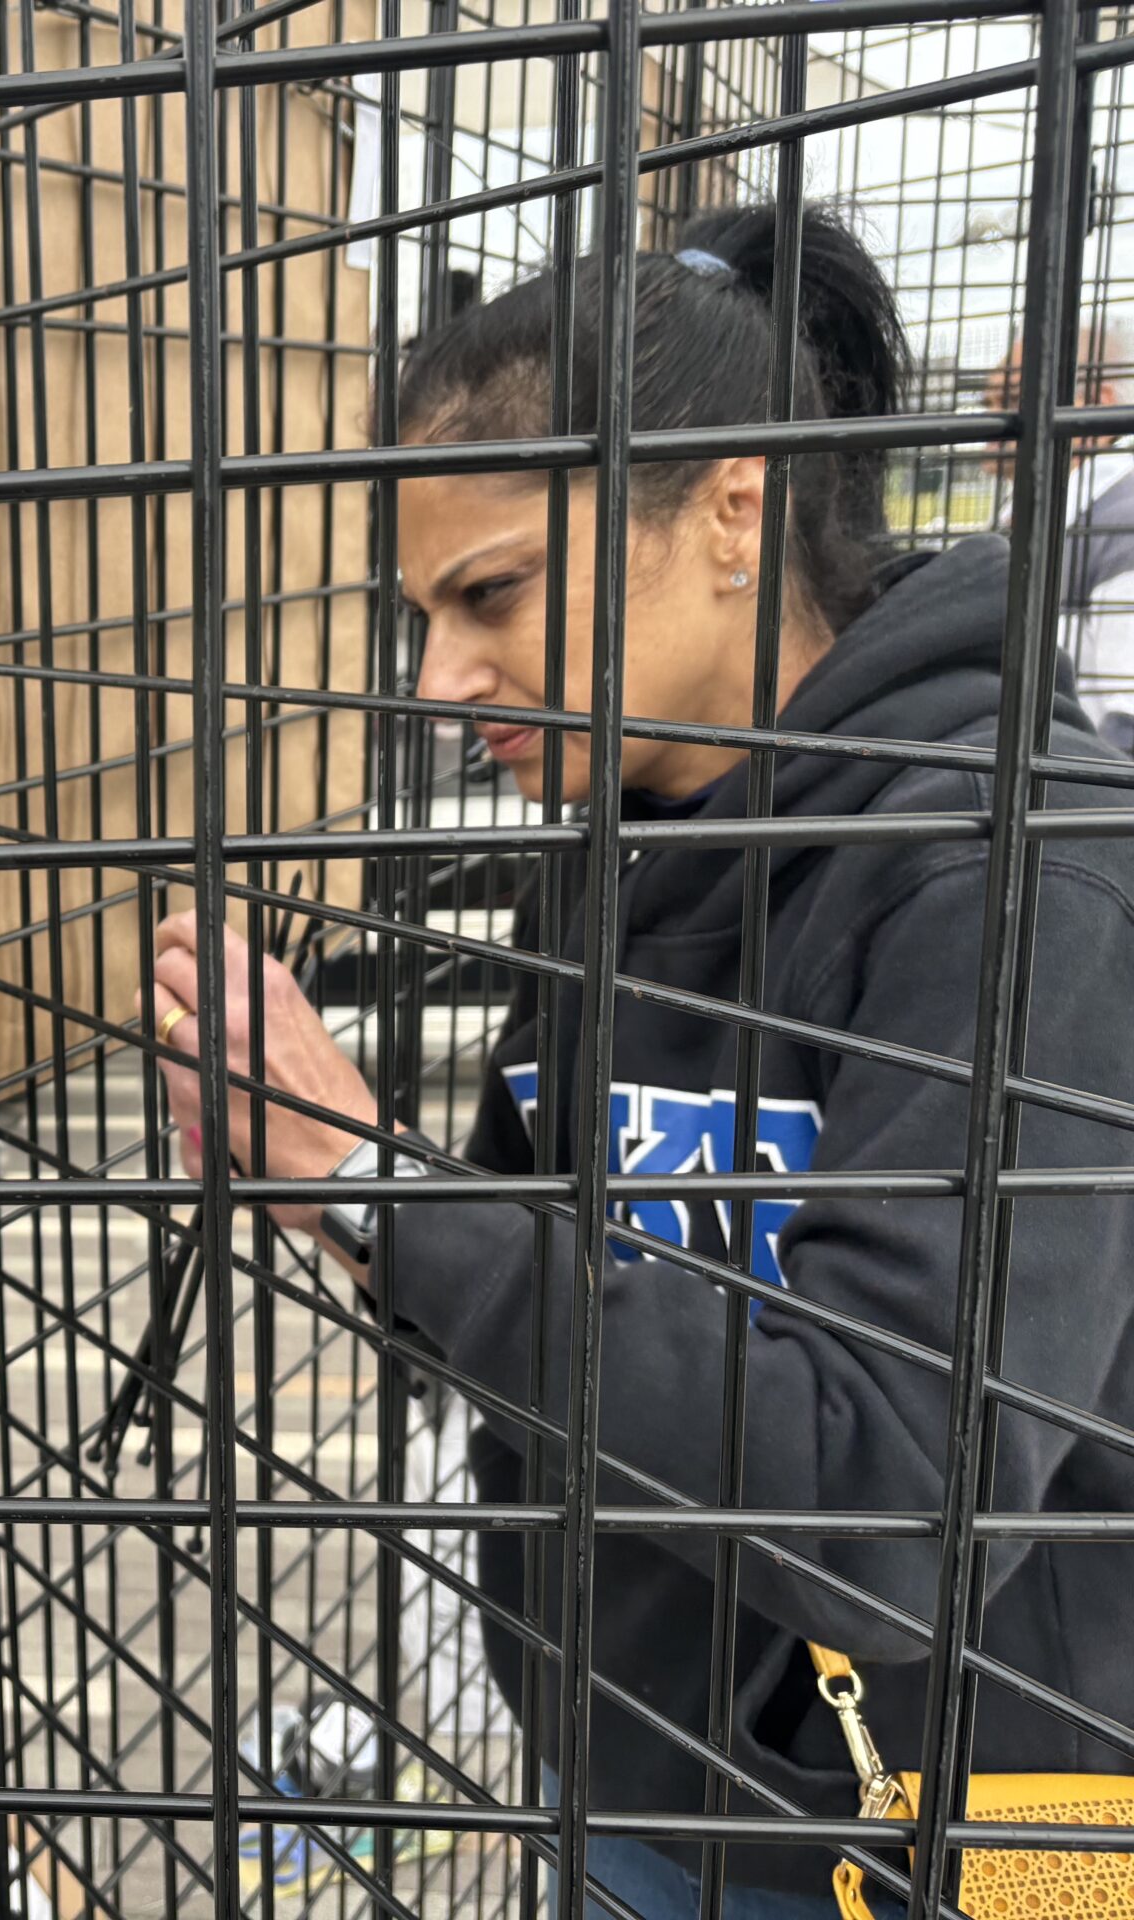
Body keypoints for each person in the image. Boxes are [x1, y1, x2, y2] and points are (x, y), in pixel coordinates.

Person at [144, 205, 1134, 1920]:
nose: (445, 682)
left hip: (991, 1813)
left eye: (493, 596)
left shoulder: (1016, 871)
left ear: (734, 512)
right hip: (631, 1757)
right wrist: (335, 1180)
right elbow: (535, 1266)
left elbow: (897, 1500)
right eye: (422, 614)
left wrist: (378, 1186)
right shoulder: (620, 828)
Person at [984, 311, 1134, 746]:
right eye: (991, 403)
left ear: (1097, 404)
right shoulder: (1030, 520)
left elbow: (1127, 728)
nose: (992, 422)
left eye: (1011, 398)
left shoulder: (1119, 525)